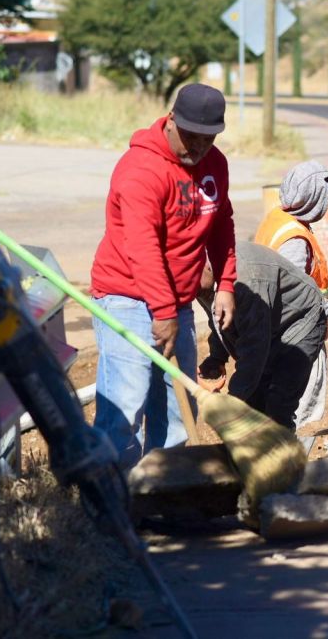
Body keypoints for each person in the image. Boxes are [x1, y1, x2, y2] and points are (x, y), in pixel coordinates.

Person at [90, 83, 236, 469]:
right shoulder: (141, 170)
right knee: (124, 411)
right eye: (190, 136)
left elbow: (222, 224)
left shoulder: (215, 164)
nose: (198, 147)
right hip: (127, 298)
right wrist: (163, 312)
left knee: (175, 412)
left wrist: (225, 284)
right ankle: (112, 503)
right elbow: (143, 248)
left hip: (178, 304)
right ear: (171, 119)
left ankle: (161, 497)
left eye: (208, 138)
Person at [253, 160, 328, 434]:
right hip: (292, 334)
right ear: (314, 199)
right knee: (293, 407)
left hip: (275, 329)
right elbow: (292, 294)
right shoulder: (294, 240)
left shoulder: (279, 219)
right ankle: (287, 462)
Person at [197, 241, 328, 431]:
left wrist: (233, 401)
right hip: (268, 323)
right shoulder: (200, 280)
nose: (191, 291)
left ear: (205, 264)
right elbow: (217, 316)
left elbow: (254, 349)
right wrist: (217, 356)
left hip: (301, 320)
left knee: (277, 407)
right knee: (253, 404)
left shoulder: (247, 281)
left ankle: (283, 458)